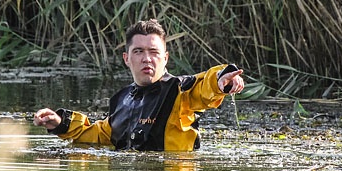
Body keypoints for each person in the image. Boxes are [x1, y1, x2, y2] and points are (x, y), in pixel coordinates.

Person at [33, 19, 245, 151]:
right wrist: (60, 122)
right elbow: (100, 135)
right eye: (138, 52)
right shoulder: (122, 99)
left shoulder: (179, 90)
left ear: (165, 58)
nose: (147, 59)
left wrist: (221, 80)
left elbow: (203, 87)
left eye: (154, 52)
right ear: (126, 58)